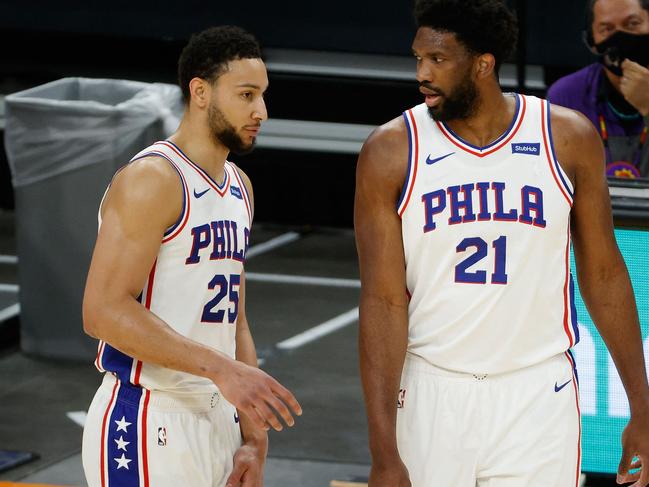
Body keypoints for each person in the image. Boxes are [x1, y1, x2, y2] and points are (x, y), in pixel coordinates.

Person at [354, 0, 649, 485]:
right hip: (432, 389)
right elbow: (383, 302)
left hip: (537, 393)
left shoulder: (566, 138)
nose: (422, 73)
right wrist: (382, 449)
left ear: (483, 64)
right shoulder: (389, 151)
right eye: (418, 59)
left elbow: (603, 274)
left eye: (438, 60)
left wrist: (641, 406)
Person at [81, 25, 301, 487]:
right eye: (246, 94)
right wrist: (223, 370)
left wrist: (253, 435)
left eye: (262, 95)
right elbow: (102, 311)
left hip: (217, 414)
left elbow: (234, 318)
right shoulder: (153, 179)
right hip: (145, 418)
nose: (260, 110)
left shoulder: (240, 186)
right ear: (200, 91)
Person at [547, 0, 649, 179]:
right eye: (607, 29)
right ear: (592, 42)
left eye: (632, 24)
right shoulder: (565, 96)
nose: (620, 37)